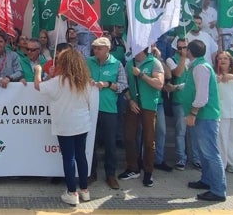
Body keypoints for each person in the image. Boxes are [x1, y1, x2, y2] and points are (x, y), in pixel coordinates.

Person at [34, 48, 92, 206]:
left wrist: (38, 71)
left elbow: (38, 86)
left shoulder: (58, 82)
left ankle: (72, 192)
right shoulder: (84, 80)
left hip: (65, 124)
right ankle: (85, 191)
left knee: (69, 158)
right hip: (82, 123)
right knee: (81, 156)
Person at [181, 40, 227, 202]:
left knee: (211, 153)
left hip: (205, 116)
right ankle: (207, 180)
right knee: (203, 153)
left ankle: (218, 190)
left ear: (190, 51)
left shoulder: (201, 68)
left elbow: (202, 95)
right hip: (202, 116)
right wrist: (177, 87)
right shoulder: (197, 66)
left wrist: (193, 112)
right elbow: (192, 87)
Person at [86, 37, 128, 190]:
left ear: (107, 49)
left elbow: (123, 85)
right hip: (90, 108)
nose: (95, 50)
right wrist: (87, 80)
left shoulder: (116, 64)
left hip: (109, 109)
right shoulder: (88, 61)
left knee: (110, 144)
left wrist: (108, 84)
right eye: (94, 47)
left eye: (99, 48)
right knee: (91, 142)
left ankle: (110, 174)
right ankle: (91, 173)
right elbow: (80, 78)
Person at [119, 47, 164, 187]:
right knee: (129, 136)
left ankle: (148, 172)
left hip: (149, 105)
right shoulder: (129, 63)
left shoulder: (154, 62)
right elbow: (124, 85)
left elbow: (159, 84)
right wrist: (130, 100)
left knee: (149, 139)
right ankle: (133, 168)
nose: (131, 49)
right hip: (133, 105)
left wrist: (141, 75)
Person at [164, 39, 199, 171]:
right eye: (180, 48)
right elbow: (177, 73)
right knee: (180, 132)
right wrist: (183, 58)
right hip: (179, 100)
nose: (182, 50)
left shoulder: (196, 60)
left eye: (185, 47)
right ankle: (181, 159)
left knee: (194, 132)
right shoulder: (171, 59)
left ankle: (196, 159)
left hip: (193, 100)